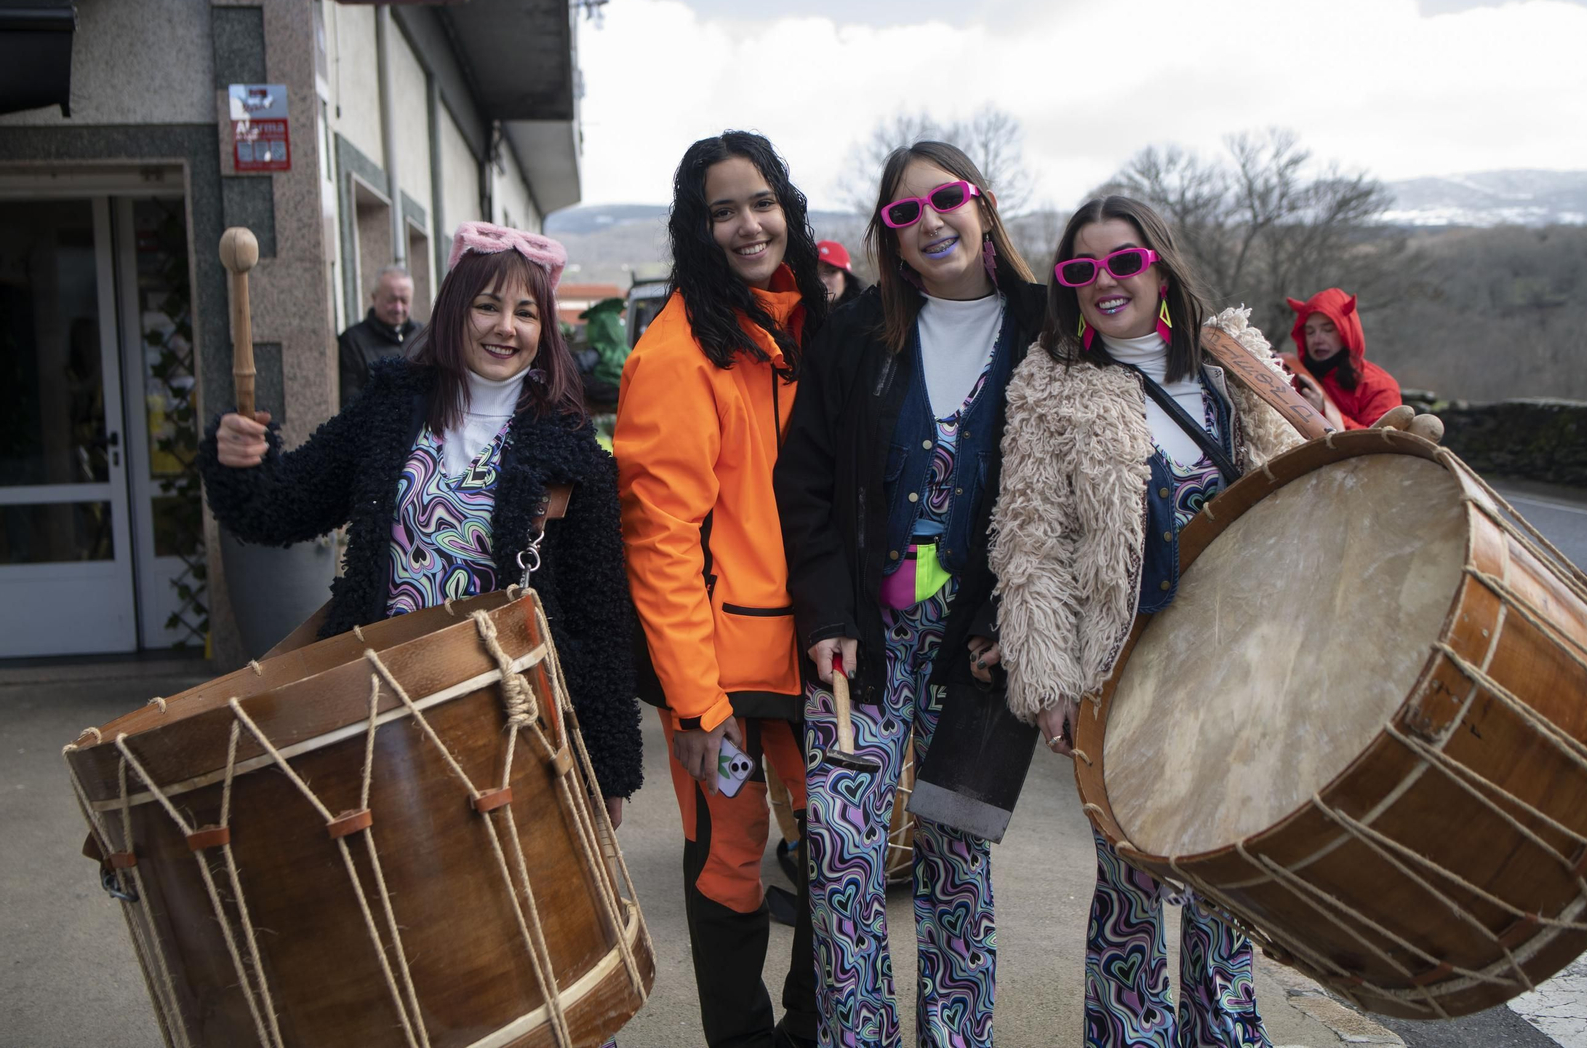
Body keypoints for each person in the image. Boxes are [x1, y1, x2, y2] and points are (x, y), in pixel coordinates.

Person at [199, 221, 643, 837]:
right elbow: (278, 508)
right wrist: (237, 460)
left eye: (525, 313)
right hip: (377, 713)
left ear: (545, 330)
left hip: (510, 724)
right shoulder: (391, 408)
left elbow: (600, 620)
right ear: (457, 310)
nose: (505, 328)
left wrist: (608, 762)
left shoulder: (573, 452)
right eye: (487, 306)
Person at [988, 195, 1302, 1048]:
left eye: (1122, 261)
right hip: (1121, 673)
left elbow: (1302, 484)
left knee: (1225, 877)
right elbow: (1030, 543)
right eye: (1081, 269)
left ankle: (1226, 1032)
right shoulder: (1049, 385)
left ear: (1160, 264)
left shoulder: (1234, 362)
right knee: (1130, 885)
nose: (1105, 281)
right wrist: (1048, 678)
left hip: (1240, 665)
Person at [775, 140, 1046, 1048]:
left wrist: (1020, 621)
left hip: (980, 653)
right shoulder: (856, 338)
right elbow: (805, 481)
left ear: (983, 206)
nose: (929, 222)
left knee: (957, 866)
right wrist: (826, 614)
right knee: (843, 861)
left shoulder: (1047, 328)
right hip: (859, 644)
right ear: (888, 239)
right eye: (904, 213)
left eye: (947, 200)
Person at [613, 130, 826, 1048]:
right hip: (722, 677)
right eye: (723, 210)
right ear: (696, 229)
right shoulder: (673, 355)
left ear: (788, 205)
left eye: (761, 201)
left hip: (818, 655)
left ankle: (814, 1031)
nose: (748, 225)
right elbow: (659, 543)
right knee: (728, 870)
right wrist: (696, 708)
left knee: (837, 860)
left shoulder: (808, 322)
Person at [1283, 287, 1400, 428]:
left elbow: (1381, 444)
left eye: (1328, 330)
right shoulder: (1288, 376)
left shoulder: (1380, 386)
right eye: (1310, 332)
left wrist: (1325, 413)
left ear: (1347, 332)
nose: (1317, 339)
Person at [339, 264, 420, 407]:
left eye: (404, 300)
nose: (398, 308)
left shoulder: (425, 336)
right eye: (391, 300)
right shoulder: (353, 341)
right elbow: (351, 400)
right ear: (374, 298)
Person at [816, 239, 864, 305]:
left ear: (846, 279)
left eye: (831, 271)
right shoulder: (799, 311)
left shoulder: (865, 312)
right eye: (815, 273)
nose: (822, 280)